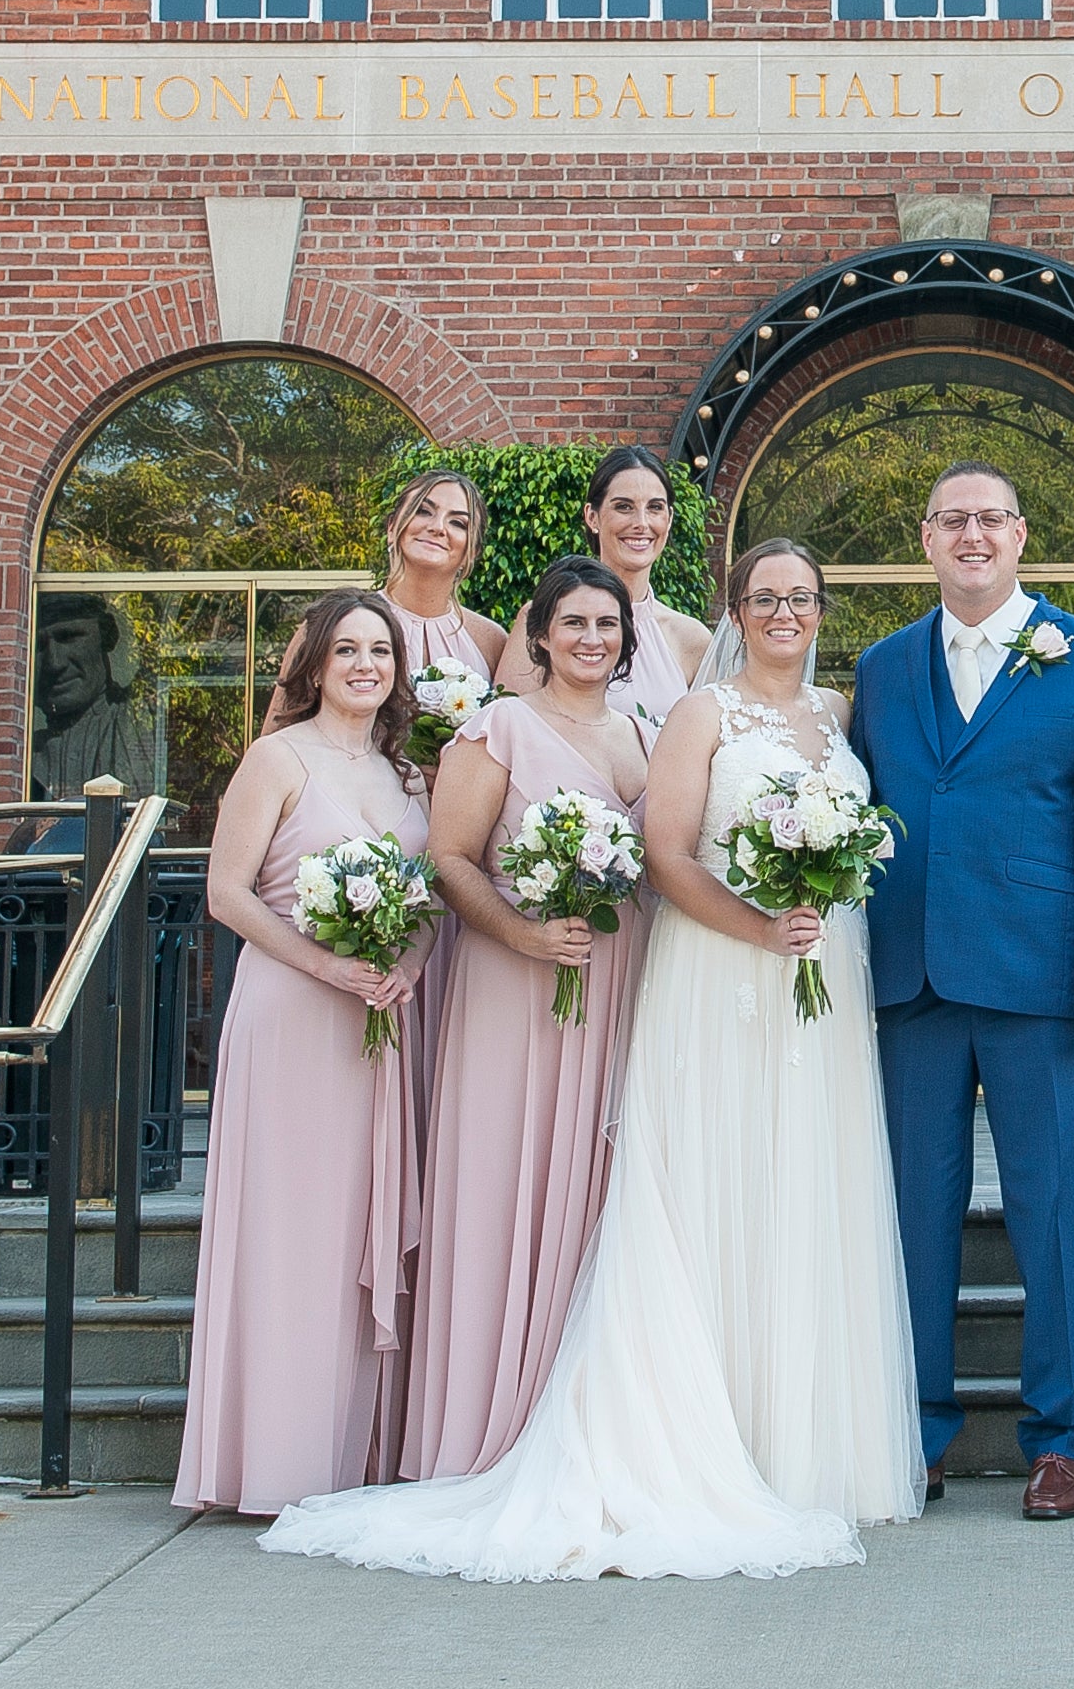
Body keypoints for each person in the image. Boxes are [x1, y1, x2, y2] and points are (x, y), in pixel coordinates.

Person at [263, 541, 921, 1580]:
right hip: (721, 968)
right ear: (734, 611)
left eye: (801, 594)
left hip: (819, 983)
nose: (784, 609)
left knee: (802, 1186)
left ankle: (803, 1437)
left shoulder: (829, 715)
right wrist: (756, 929)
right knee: (697, 1187)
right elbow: (663, 853)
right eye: (764, 595)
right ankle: (674, 1427)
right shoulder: (689, 719)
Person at [850, 461, 1074, 1521]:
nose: (971, 534)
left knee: (1057, 1209)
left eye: (989, 517)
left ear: (1021, 534)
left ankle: (1062, 1437)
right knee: (912, 1212)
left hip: (1044, 975)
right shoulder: (884, 668)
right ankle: (919, 1428)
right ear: (925, 538)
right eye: (951, 519)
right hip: (910, 975)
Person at [380, 557, 655, 1478]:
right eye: (572, 623)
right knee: (504, 1186)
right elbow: (449, 858)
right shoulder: (496, 728)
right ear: (537, 634)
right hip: (513, 987)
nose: (590, 640)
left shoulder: (644, 735)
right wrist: (524, 935)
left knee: (598, 1193)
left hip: (616, 985)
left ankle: (586, 1429)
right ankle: (481, 1435)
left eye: (606, 626)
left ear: (625, 641)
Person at [171, 591, 434, 1518]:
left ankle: (347, 1453)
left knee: (356, 1228)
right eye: (348, 649)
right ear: (315, 663)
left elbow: (426, 903)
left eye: (381, 650)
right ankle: (272, 1459)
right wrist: (327, 962)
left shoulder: (412, 780)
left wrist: (403, 960)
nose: (366, 665)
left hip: (376, 1022)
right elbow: (227, 895)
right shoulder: (275, 758)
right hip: (290, 1012)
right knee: (288, 1234)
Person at [506, 445, 713, 726]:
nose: (641, 523)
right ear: (592, 516)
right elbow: (508, 730)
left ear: (669, 519)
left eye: (654, 508)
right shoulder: (541, 619)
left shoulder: (691, 639)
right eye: (624, 507)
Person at [377, 467, 508, 688]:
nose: (438, 527)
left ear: (473, 552)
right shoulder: (337, 622)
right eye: (423, 511)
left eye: (458, 523)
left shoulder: (491, 641)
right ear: (392, 527)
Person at [29, 594, 161, 801]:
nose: (54, 663)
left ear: (108, 636)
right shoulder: (25, 752)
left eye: (69, 637)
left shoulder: (144, 725)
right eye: (38, 647)